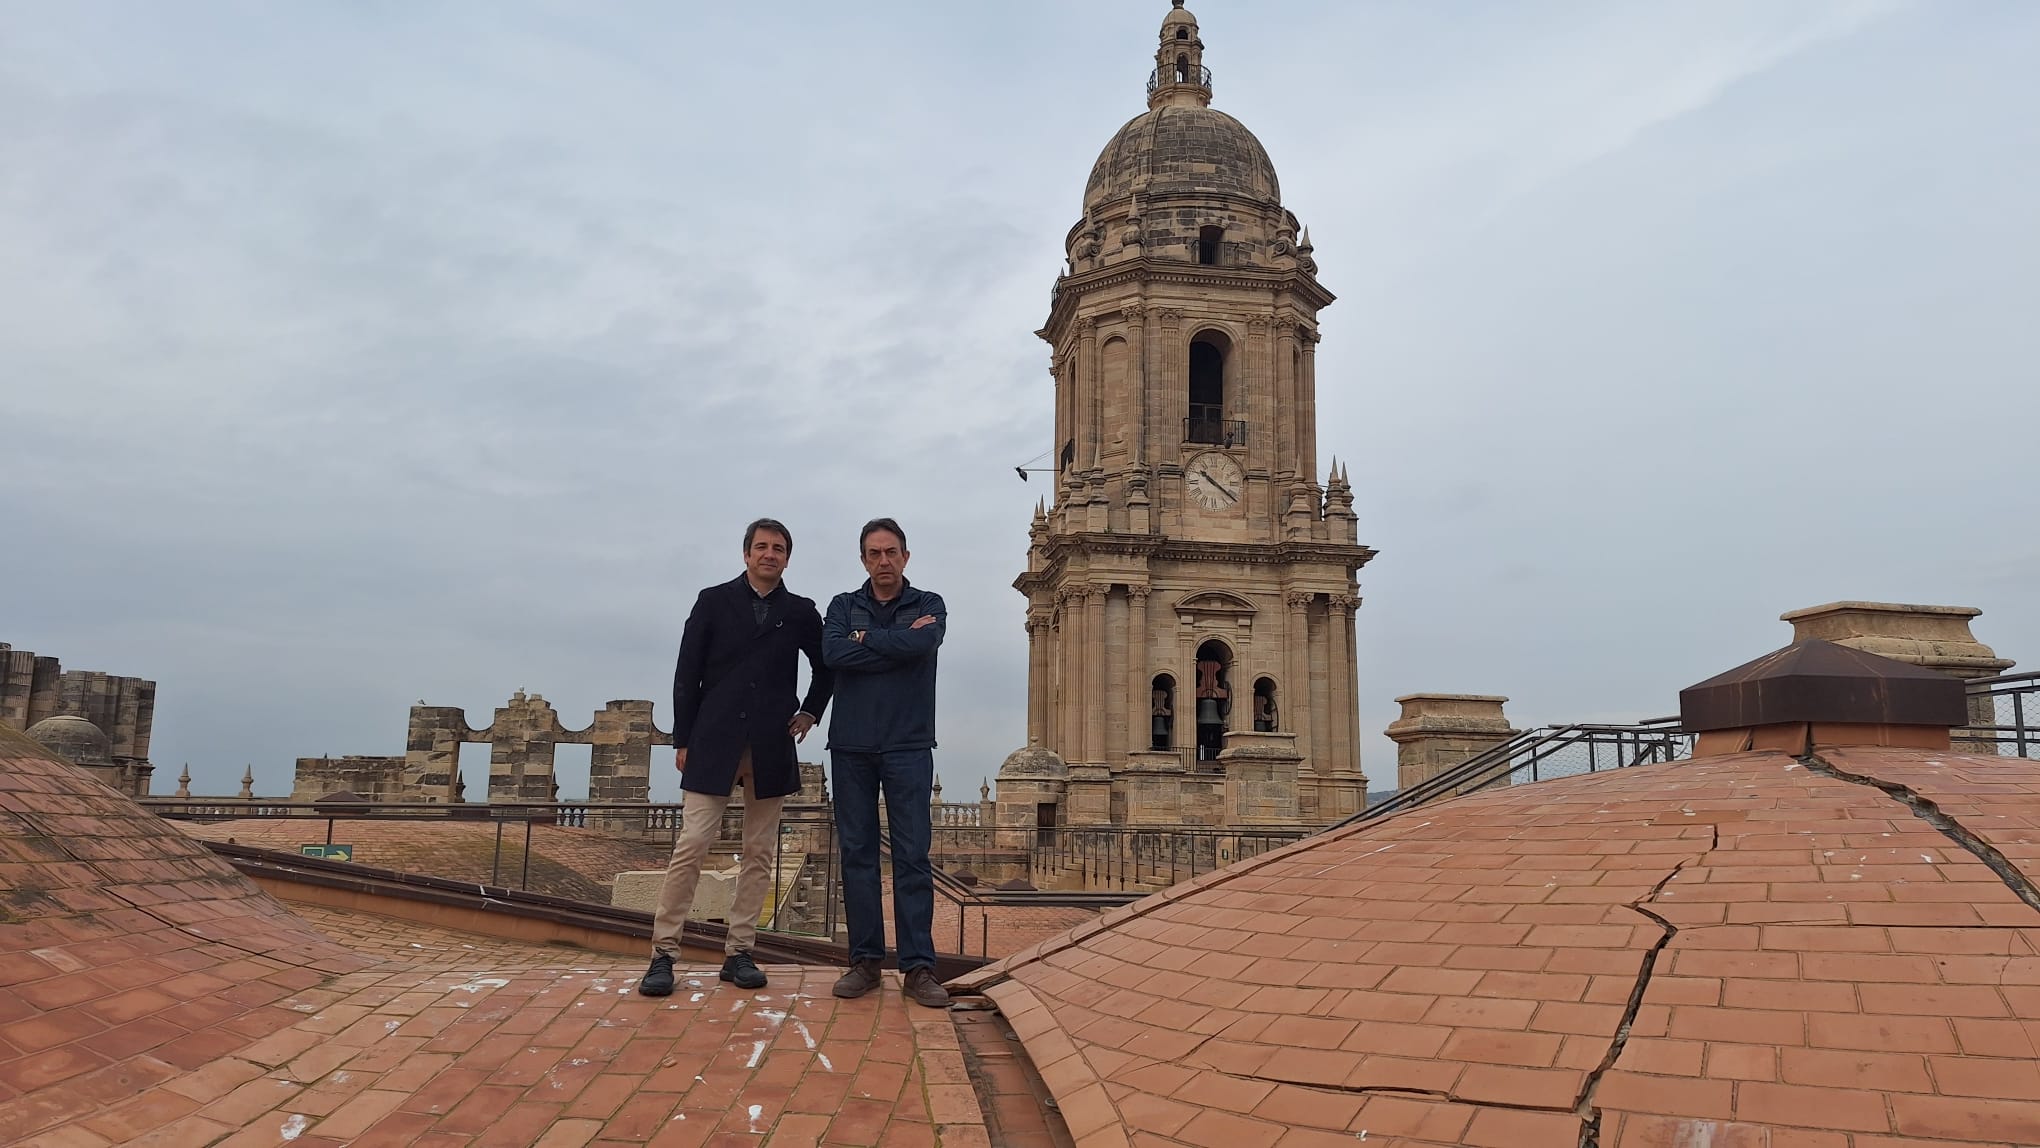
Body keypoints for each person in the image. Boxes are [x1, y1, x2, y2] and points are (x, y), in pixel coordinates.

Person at [639, 518, 832, 997]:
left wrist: (810, 711)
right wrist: (683, 739)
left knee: (760, 852)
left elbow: (827, 666)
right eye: (762, 547)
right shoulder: (712, 601)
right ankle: (663, 954)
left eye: (779, 548)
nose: (770, 554)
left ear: (788, 558)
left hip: (770, 743)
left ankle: (740, 952)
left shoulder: (801, 611)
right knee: (693, 844)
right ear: (746, 554)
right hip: (713, 740)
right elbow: (687, 673)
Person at [823, 517, 951, 1008]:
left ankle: (918, 968)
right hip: (851, 745)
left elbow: (923, 644)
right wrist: (892, 647)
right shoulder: (841, 606)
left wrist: (864, 642)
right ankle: (865, 962)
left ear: (906, 557)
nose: (883, 561)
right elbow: (833, 653)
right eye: (875, 553)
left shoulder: (929, 605)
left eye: (891, 552)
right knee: (857, 855)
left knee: (912, 856)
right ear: (863, 559)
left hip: (909, 745)